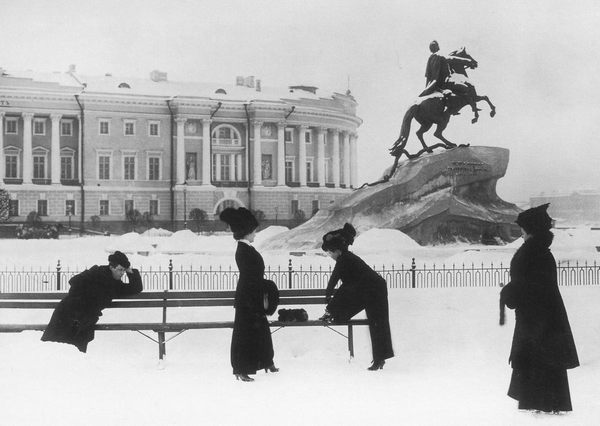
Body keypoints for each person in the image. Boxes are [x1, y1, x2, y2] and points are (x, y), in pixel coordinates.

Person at [500, 204, 579, 413]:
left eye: (523, 230)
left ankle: (541, 410)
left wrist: (508, 292)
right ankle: (548, 407)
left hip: (534, 323)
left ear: (531, 230)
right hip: (547, 321)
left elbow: (526, 288)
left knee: (536, 364)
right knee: (548, 364)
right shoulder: (542, 252)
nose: (521, 234)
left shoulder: (529, 253)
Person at [320, 223, 394, 370]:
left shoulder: (345, 259)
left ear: (337, 251)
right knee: (377, 324)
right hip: (369, 290)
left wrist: (329, 304)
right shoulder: (345, 258)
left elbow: (335, 281)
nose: (330, 256)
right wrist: (331, 308)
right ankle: (379, 359)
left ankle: (379, 359)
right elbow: (346, 286)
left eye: (330, 252)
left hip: (375, 290)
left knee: (378, 324)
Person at [41, 251, 143, 353]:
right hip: (68, 311)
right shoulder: (95, 273)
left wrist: (130, 270)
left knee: (73, 346)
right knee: (57, 345)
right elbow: (73, 282)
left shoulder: (115, 284)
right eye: (120, 270)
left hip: (85, 317)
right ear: (111, 267)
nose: (122, 273)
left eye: (124, 271)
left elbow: (136, 288)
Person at [219, 207, 278, 382]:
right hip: (249, 299)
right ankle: (241, 368)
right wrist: (265, 287)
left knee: (261, 332)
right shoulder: (244, 250)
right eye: (253, 231)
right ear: (246, 231)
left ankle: (267, 362)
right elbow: (251, 276)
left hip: (251, 296)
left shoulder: (246, 248)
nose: (255, 234)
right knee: (244, 335)